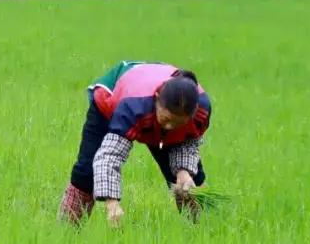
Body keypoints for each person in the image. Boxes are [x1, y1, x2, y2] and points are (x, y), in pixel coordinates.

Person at [58, 60, 213, 226]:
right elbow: (110, 156)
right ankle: (67, 231)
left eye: (178, 123)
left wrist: (184, 172)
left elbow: (187, 141)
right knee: (87, 173)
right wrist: (112, 203)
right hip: (111, 100)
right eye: (167, 119)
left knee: (190, 183)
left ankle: (202, 230)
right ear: (157, 99)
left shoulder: (200, 110)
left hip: (152, 97)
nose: (170, 127)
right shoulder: (133, 107)